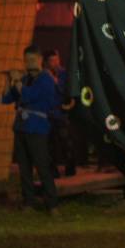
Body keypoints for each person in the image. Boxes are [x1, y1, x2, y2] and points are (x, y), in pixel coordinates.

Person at [1, 45, 59, 214]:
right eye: (26, 60)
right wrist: (8, 80)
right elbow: (6, 99)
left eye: (32, 60)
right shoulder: (25, 79)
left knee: (41, 166)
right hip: (21, 127)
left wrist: (17, 81)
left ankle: (52, 204)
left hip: (37, 127)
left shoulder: (45, 79)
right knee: (24, 167)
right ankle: (28, 202)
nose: (28, 63)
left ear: (40, 60)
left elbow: (28, 95)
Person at [43, 49, 76, 177]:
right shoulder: (43, 75)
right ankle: (53, 172)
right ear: (46, 63)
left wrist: (55, 80)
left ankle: (70, 169)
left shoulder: (64, 74)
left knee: (66, 142)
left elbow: (66, 91)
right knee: (50, 144)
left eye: (57, 60)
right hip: (47, 114)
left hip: (60, 113)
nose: (55, 63)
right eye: (52, 61)